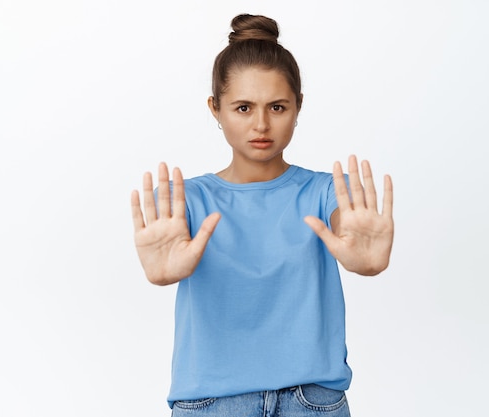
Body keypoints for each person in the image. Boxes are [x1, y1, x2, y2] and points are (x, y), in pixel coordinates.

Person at [130, 14, 394, 417]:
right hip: (211, 404)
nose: (261, 124)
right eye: (242, 107)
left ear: (298, 107)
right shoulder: (185, 201)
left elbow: (345, 226)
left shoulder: (324, 192)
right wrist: (164, 270)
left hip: (312, 402)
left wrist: (363, 254)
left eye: (277, 106)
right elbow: (167, 251)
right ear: (215, 109)